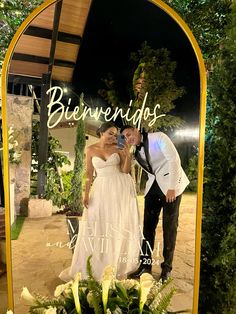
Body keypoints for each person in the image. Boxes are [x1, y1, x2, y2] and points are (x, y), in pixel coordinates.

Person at [59, 122, 141, 281]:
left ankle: (115, 263)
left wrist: (127, 155)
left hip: (119, 188)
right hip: (101, 189)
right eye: (110, 133)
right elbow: (89, 174)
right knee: (96, 224)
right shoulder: (90, 149)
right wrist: (86, 193)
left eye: (116, 134)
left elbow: (125, 171)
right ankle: (95, 263)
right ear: (101, 133)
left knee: (116, 224)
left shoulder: (119, 147)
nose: (114, 137)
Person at [120, 125, 189, 282]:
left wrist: (172, 187)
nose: (128, 138)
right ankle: (145, 266)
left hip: (172, 186)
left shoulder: (158, 138)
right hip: (153, 186)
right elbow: (127, 168)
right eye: (124, 137)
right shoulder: (134, 151)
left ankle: (167, 269)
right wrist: (124, 150)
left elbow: (174, 160)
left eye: (129, 134)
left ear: (137, 130)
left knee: (169, 228)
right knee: (147, 228)